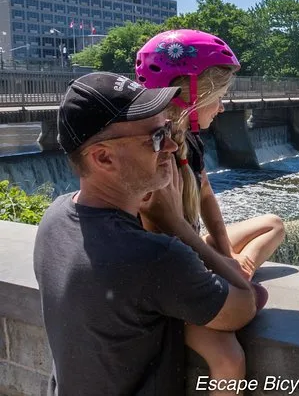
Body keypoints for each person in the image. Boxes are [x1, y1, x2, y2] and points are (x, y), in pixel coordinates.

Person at [33, 72, 259, 395]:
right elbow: (243, 305)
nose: (171, 146)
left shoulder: (54, 219)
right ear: (103, 157)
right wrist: (177, 225)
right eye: (155, 138)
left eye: (166, 129)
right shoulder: (152, 257)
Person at [135, 29, 285, 390]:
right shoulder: (155, 155)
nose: (222, 107)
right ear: (190, 93)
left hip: (192, 246)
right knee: (228, 359)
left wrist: (225, 253)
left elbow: (205, 196)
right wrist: (219, 269)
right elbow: (161, 239)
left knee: (274, 224)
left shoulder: (189, 140)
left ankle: (241, 265)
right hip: (164, 272)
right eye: (218, 97)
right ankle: (241, 270)